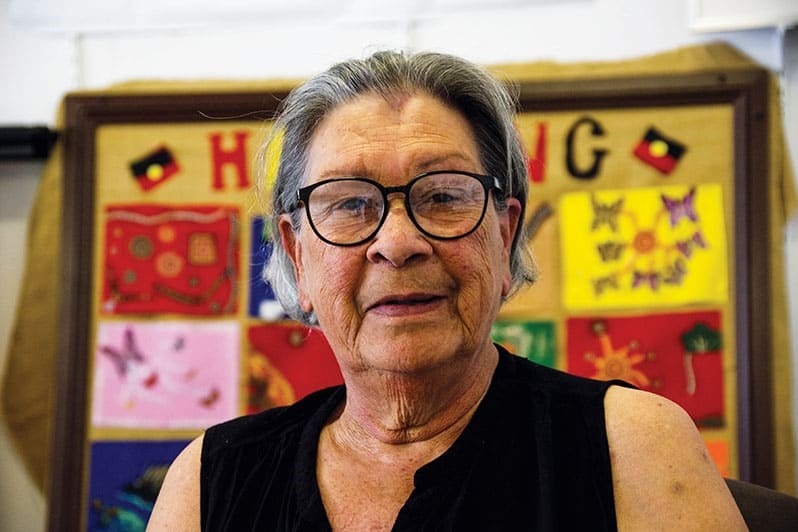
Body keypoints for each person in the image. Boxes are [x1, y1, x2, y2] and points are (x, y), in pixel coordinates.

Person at [148, 50, 746, 531]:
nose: (399, 242)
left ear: (505, 236)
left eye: (444, 196)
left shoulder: (630, 443)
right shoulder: (212, 478)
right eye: (351, 204)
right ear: (298, 255)